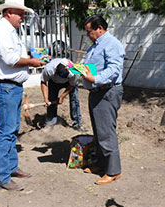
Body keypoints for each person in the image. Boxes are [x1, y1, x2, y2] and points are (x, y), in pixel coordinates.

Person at [0, 0, 47, 191]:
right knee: (6, 132)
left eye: (23, 14)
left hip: (11, 87)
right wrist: (32, 62)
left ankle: (11, 168)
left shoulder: (10, 30)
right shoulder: (2, 31)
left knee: (12, 129)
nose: (23, 17)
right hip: (6, 86)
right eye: (20, 14)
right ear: (8, 12)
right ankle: (2, 177)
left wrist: (32, 56)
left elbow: (16, 55)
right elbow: (10, 59)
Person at [80, 15, 125, 185]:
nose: (87, 35)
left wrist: (95, 79)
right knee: (99, 131)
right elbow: (93, 68)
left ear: (100, 28)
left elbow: (114, 69)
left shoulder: (112, 44)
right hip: (96, 92)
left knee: (106, 132)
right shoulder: (94, 46)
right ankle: (101, 164)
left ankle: (113, 171)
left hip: (107, 91)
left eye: (89, 31)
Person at [40, 58, 83, 130]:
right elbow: (43, 82)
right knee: (51, 100)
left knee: (74, 100)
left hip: (69, 82)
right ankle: (50, 122)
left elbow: (72, 85)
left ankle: (77, 123)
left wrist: (62, 97)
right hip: (54, 82)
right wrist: (46, 99)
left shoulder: (74, 71)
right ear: (56, 70)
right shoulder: (49, 69)